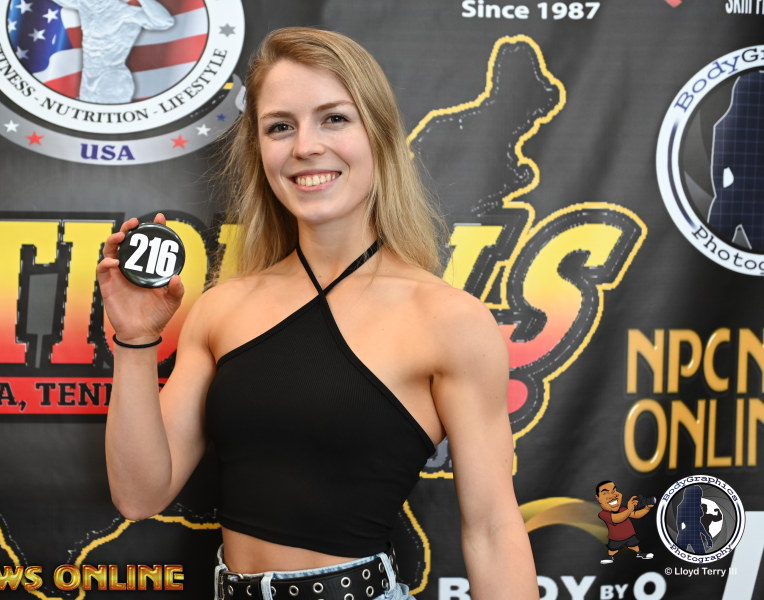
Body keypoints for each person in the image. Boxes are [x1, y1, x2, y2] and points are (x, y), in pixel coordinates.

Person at [97, 27, 537, 600]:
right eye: (280, 126)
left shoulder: (449, 321)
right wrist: (134, 340)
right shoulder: (223, 308)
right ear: (260, 149)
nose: (305, 146)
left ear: (378, 134)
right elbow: (139, 496)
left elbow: (494, 531)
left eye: (334, 119)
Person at [594, 481, 654, 564]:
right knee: (613, 549)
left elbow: (636, 515)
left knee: (634, 545)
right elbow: (616, 519)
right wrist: (629, 509)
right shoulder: (603, 514)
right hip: (616, 539)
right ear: (597, 498)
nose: (612, 496)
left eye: (614, 491)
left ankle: (639, 554)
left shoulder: (624, 510)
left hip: (630, 536)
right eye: (605, 493)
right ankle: (610, 557)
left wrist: (647, 508)